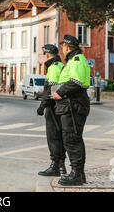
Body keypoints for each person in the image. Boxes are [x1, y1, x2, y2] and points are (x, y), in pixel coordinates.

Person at [52, 35, 91, 186]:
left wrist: (59, 92)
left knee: (72, 139)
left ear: (67, 47)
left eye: (63, 47)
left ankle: (76, 174)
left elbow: (75, 82)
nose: (61, 49)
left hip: (73, 103)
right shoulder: (74, 60)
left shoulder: (76, 60)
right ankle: (78, 173)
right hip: (71, 103)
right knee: (72, 138)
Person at [37, 44, 67, 177]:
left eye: (45, 54)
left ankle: (55, 166)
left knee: (53, 137)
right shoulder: (60, 65)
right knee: (60, 137)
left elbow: (50, 90)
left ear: (48, 55)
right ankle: (61, 167)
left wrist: (42, 107)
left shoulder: (53, 68)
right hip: (60, 106)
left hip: (53, 107)